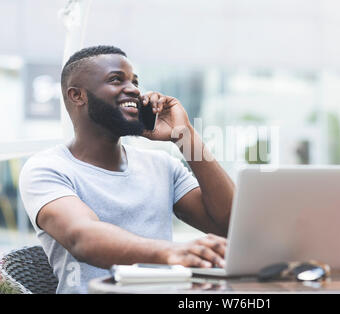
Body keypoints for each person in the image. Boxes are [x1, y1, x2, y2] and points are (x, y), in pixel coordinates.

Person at [18, 45, 235, 293]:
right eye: (115, 79)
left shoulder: (162, 165)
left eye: (134, 81)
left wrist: (185, 136)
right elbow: (83, 237)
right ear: (77, 95)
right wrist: (174, 251)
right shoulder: (47, 168)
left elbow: (230, 226)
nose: (133, 89)